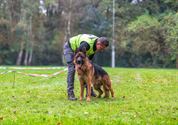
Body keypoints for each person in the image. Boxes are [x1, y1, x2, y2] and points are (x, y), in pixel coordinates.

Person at [63, 34, 109, 100]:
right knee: (72, 68)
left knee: (88, 70)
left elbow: (88, 61)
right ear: (98, 43)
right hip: (70, 47)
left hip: (79, 52)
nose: (101, 50)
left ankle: (89, 92)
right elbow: (78, 56)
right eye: (101, 48)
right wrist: (77, 65)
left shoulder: (96, 44)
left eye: (103, 49)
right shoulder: (86, 44)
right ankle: (70, 94)